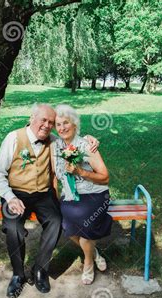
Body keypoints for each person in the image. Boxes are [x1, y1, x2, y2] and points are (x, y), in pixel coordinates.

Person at [0, 104, 99, 298]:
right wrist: (10, 197)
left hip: (43, 193)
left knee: (56, 222)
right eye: (44, 120)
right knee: (13, 227)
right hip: (16, 193)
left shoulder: (54, 141)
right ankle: (18, 275)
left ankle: (40, 269)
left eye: (51, 122)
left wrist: (89, 139)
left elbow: (73, 143)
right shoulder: (13, 138)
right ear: (32, 118)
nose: (47, 125)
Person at [51, 104, 112, 285]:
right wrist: (55, 199)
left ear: (74, 124)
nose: (61, 128)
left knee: (84, 219)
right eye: (58, 124)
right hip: (71, 196)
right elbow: (55, 176)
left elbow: (105, 178)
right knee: (64, 222)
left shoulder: (86, 145)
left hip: (95, 194)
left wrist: (81, 172)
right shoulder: (55, 146)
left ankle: (87, 263)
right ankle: (93, 253)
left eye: (65, 123)